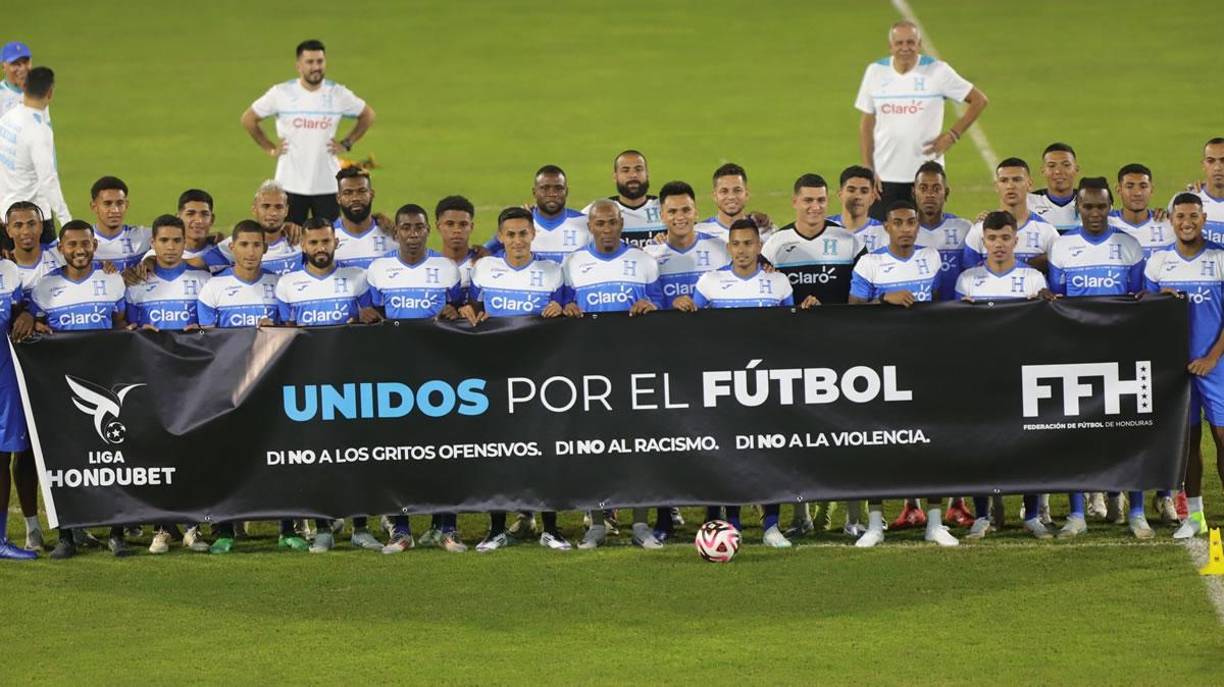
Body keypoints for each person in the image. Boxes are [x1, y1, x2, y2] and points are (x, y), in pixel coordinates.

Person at [673, 218, 798, 548]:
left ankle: (771, 525)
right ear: (729, 248)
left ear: (759, 246)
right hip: (724, 386)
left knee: (769, 453)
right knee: (728, 455)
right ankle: (733, 523)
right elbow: (689, 327)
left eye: (749, 244)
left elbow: (792, 333)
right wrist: (681, 306)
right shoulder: (710, 282)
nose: (742, 250)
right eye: (737, 244)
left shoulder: (779, 283)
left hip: (767, 384)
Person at [459, 207, 571, 551]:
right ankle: (496, 529)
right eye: (511, 234)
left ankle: (550, 528)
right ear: (501, 237)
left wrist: (562, 311)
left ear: (533, 234)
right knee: (496, 453)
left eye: (524, 233)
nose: (518, 240)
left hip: (541, 379)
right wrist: (468, 312)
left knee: (545, 452)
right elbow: (472, 311)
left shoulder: (553, 272)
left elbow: (570, 314)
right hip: (495, 377)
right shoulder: (485, 270)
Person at [195, 220, 307, 553]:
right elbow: (206, 342)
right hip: (230, 388)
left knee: (280, 456)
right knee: (228, 458)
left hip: (274, 385)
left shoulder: (279, 286)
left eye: (256, 245)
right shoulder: (213, 289)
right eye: (243, 245)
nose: (250, 252)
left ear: (265, 248)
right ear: (232, 248)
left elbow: (292, 331)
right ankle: (226, 530)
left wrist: (276, 329)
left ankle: (287, 527)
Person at [849, 200, 956, 547]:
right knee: (880, 443)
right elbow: (851, 313)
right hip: (882, 367)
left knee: (933, 441)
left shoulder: (932, 258)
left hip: (928, 363)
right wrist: (884, 302)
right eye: (899, 222)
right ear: (887, 227)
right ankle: (875, 524)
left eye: (911, 222)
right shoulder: (871, 263)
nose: (906, 228)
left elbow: (942, 303)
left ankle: (935, 522)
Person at [20, 221, 128, 559]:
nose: (79, 251)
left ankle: (117, 531)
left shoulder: (112, 280)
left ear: (94, 246)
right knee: (65, 461)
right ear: (61, 249)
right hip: (62, 390)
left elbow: (122, 327)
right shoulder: (45, 287)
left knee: (114, 458)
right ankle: (67, 535)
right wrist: (33, 322)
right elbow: (33, 327)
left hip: (106, 386)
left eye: (85, 244)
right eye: (72, 245)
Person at [1047, 178, 1147, 539]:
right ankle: (1077, 513)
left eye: (1101, 206)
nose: (1094, 213)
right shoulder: (1062, 247)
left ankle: (1136, 511)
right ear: (1078, 206)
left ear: (1110, 206)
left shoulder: (1129, 246)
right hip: (1077, 357)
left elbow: (1140, 299)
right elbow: (1056, 302)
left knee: (1129, 433)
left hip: (1120, 355)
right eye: (1088, 206)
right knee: (1077, 434)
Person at [562, 200, 663, 549]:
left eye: (612, 223)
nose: (607, 230)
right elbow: (561, 308)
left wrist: (650, 307)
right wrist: (567, 309)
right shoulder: (573, 263)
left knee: (640, 447)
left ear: (621, 224)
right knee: (593, 448)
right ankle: (597, 523)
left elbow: (660, 307)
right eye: (600, 224)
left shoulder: (644, 262)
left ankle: (640, 525)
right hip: (590, 371)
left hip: (635, 368)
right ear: (590, 226)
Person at [274, 219, 379, 552]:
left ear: (335, 242)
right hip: (309, 385)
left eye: (325, 242)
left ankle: (360, 527)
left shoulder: (357, 280)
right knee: (318, 458)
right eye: (313, 243)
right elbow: (284, 331)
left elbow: (374, 322)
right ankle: (323, 528)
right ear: (303, 245)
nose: (320, 248)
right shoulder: (288, 284)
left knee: (358, 455)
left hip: (352, 382)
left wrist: (367, 320)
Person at [955, 211, 1053, 539]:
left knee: (1031, 444)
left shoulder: (1033, 280)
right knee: (981, 444)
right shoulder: (968, 280)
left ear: (1016, 240)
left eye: (1005, 238)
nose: (999, 245)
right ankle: (982, 515)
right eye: (993, 238)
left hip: (1023, 375)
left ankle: (1032, 514)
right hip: (979, 375)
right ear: (984, 241)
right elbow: (956, 330)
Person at [1143, 193, 1224, 539]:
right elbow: (1142, 305)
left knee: (1223, 439)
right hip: (1178, 369)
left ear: (1203, 218)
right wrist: (1160, 298)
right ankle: (1195, 516)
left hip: (1217, 366)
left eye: (1193, 216)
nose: (1187, 222)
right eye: (1180, 216)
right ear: (1171, 220)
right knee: (1188, 442)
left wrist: (1212, 358)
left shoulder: (1220, 259)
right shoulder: (1159, 263)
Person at [855, 20, 988, 220]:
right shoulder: (875, 72)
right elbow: (866, 123)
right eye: (899, 43)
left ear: (919, 44)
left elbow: (979, 100)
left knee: (927, 238)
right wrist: (868, 168)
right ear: (890, 46)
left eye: (910, 42)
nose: (905, 48)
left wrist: (952, 135)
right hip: (884, 176)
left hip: (926, 178)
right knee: (881, 237)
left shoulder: (938, 71)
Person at [241, 39, 375, 225]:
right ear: (299, 66)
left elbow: (367, 115)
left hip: (327, 182)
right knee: (290, 239)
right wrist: (270, 148)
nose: (316, 67)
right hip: (290, 183)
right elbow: (248, 119)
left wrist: (346, 143)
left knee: (329, 240)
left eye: (320, 61)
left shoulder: (337, 93)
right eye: (310, 62)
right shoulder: (281, 93)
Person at [761, 173, 860, 307]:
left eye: (821, 200)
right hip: (792, 324)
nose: (815, 206)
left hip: (837, 324)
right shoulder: (776, 243)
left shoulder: (849, 240)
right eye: (808, 200)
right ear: (795, 202)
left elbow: (868, 285)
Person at [0, 66, 69, 242]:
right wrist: (66, 220)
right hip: (34, 219)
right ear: (50, 93)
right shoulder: (38, 131)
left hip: (6, 215)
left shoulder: (8, 119)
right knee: (49, 267)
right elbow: (48, 180)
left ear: (24, 87)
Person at [0, 226, 34, 559]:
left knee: (3, 455)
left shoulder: (9, 271)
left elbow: (22, 306)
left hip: (5, 377)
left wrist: (27, 313)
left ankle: (0, 541)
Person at [644, 181, 730, 310]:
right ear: (662, 216)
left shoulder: (721, 250)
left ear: (696, 212)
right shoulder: (649, 255)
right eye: (672, 211)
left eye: (686, 210)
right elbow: (650, 302)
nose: (680, 217)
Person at [963, 158, 1060, 272]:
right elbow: (969, 278)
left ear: (1029, 184)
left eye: (1017, 180)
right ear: (996, 186)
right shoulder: (979, 231)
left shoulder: (1047, 232)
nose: (1010, 186)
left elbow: (1058, 277)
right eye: (1004, 180)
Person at [485, 165, 590, 263]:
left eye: (558, 188)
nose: (552, 194)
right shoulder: (519, 226)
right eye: (545, 188)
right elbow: (485, 252)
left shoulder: (585, 224)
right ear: (534, 192)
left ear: (566, 192)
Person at [216, 180, 304, 275]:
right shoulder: (237, 243)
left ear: (286, 211)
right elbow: (200, 263)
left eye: (279, 207)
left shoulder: (301, 241)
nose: (272, 213)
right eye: (266, 206)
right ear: (254, 209)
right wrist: (207, 238)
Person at [581, 150, 664, 248]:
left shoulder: (666, 208)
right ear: (615, 177)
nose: (633, 175)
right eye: (625, 170)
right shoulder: (595, 212)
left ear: (647, 174)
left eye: (638, 169)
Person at [694, 163, 774, 242]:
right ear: (715, 196)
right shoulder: (699, 232)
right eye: (724, 191)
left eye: (737, 190)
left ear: (746, 194)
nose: (731, 197)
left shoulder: (765, 231)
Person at [332, 167, 394, 268]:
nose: (355, 198)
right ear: (338, 198)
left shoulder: (392, 235)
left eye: (361, 191)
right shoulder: (327, 238)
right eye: (348, 193)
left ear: (371, 194)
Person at [828, 166, 884, 252]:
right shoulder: (824, 228)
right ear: (840, 194)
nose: (858, 196)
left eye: (864, 191)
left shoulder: (883, 233)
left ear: (872, 198)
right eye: (851, 190)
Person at [1029, 143, 1081, 234]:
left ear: (1076, 169)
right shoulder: (1029, 204)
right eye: (1051, 166)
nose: (1058, 171)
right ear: (1043, 171)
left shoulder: (1092, 204)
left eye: (1066, 165)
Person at [1187, 137, 1224, 245]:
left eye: (1223, 160)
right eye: (1210, 161)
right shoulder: (1187, 200)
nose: (1217, 167)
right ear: (1203, 165)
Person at [0, 42, 32, 117]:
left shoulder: (37, 92)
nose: (23, 68)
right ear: (3, 67)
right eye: (15, 63)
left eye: (25, 62)